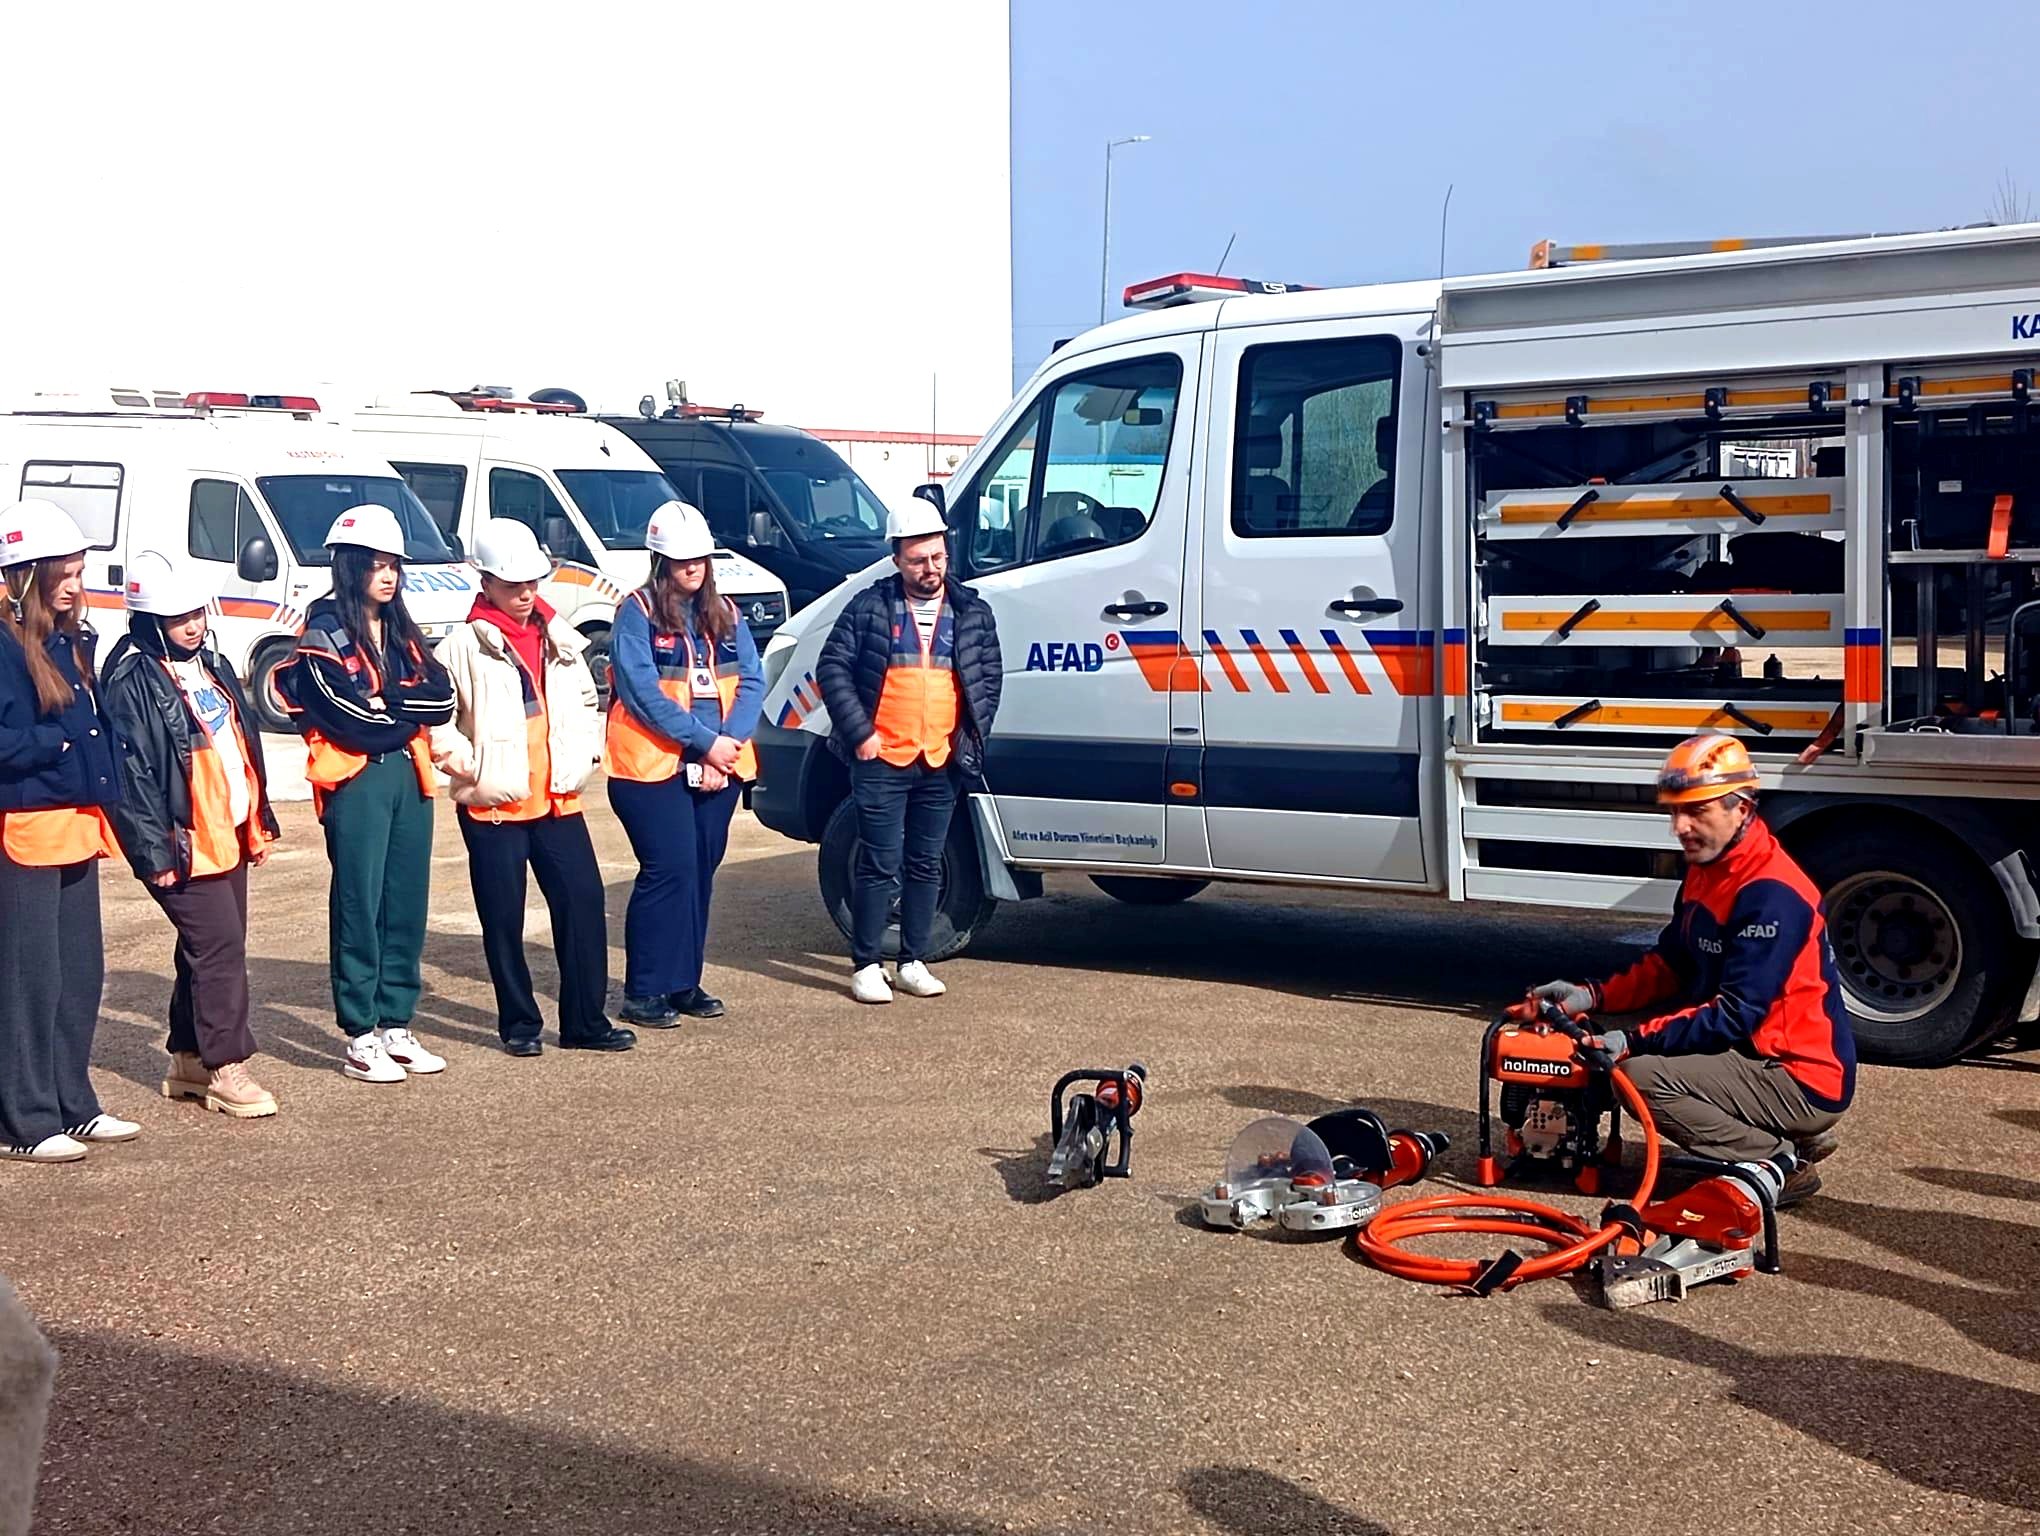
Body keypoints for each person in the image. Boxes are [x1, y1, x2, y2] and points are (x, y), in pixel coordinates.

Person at [1526, 734, 1856, 1204]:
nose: (1680, 827)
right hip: (1752, 1054)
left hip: (1797, 1073)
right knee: (1602, 1036)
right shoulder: (1709, 867)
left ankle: (1777, 1160)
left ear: (1742, 808)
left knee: (1636, 1076)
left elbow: (1737, 1013)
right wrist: (1591, 996)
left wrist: (1633, 1041)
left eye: (1697, 810)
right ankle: (1772, 1131)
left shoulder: (1771, 893)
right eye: (1673, 812)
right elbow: (1671, 964)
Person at [431, 520, 633, 1057]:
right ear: (486, 582)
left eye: (532, 583)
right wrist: (468, 765)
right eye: (513, 584)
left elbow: (589, 702)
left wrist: (586, 751)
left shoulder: (561, 635)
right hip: (495, 804)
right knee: (504, 920)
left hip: (558, 800)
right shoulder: (459, 647)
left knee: (584, 904)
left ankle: (585, 1022)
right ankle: (519, 1025)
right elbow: (437, 722)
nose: (525, 594)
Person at [274, 504, 456, 1083]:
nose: (387, 576)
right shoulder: (321, 632)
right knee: (360, 901)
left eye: (393, 565)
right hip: (358, 778)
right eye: (375, 565)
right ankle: (359, 1032)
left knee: (406, 902)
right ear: (350, 567)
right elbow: (348, 717)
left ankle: (396, 1022)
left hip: (410, 773)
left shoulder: (403, 630)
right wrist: (402, 712)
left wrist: (393, 707)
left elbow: (444, 699)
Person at [102, 552, 283, 1118]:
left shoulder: (213, 663)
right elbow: (131, 776)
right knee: (220, 947)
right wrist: (153, 850)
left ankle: (187, 1056)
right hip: (182, 840)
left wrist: (260, 815)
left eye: (197, 611)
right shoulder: (132, 679)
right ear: (149, 618)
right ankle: (227, 1067)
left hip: (225, 829)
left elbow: (241, 744)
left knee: (207, 947)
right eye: (178, 615)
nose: (193, 623)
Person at [815, 500, 1001, 1005]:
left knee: (926, 863)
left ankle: (913, 960)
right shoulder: (870, 607)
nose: (931, 569)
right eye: (919, 560)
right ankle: (866, 964)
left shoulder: (971, 612)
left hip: (939, 761)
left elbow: (988, 679)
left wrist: (968, 737)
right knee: (879, 863)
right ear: (897, 559)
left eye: (938, 557)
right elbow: (831, 668)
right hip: (881, 759)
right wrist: (860, 734)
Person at [0, 499, 137, 1162]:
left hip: (77, 822)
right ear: (25, 573)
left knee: (80, 972)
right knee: (30, 978)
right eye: (61, 570)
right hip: (23, 827)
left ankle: (71, 1103)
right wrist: (56, 745)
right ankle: (22, 1121)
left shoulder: (75, 640)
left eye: (79, 569)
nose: (73, 582)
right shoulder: (2, 645)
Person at [604, 501, 763, 1025]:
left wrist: (728, 746)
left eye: (699, 558)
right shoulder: (638, 612)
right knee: (667, 869)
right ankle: (644, 988)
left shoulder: (727, 613)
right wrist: (704, 744)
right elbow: (644, 693)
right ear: (660, 561)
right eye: (681, 560)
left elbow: (753, 682)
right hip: (653, 768)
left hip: (720, 762)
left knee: (698, 873)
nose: (693, 568)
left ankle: (683, 982)